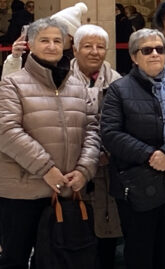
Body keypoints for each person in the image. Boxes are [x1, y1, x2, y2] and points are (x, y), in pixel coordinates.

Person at [0, 17, 100, 269]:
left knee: (59, 260)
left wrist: (84, 171)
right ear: (31, 45)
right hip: (22, 192)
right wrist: (46, 169)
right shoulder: (12, 84)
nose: (52, 46)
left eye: (57, 40)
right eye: (44, 40)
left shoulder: (78, 86)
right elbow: (6, 130)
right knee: (16, 258)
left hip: (66, 190)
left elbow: (92, 130)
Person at [100, 29, 165, 269]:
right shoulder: (119, 89)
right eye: (147, 50)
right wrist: (152, 155)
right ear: (135, 57)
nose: (155, 54)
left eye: (160, 49)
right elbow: (111, 134)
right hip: (137, 183)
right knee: (140, 250)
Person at [71, 24, 124, 267]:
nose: (94, 52)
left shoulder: (119, 82)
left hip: (107, 170)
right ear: (74, 49)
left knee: (106, 234)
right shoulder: (60, 81)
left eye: (100, 46)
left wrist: (108, 151)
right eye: (88, 46)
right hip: (72, 168)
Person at [2, 2, 86, 78]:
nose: (51, 46)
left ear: (71, 36)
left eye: (58, 38)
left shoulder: (79, 61)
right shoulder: (36, 54)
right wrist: (15, 58)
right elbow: (9, 85)